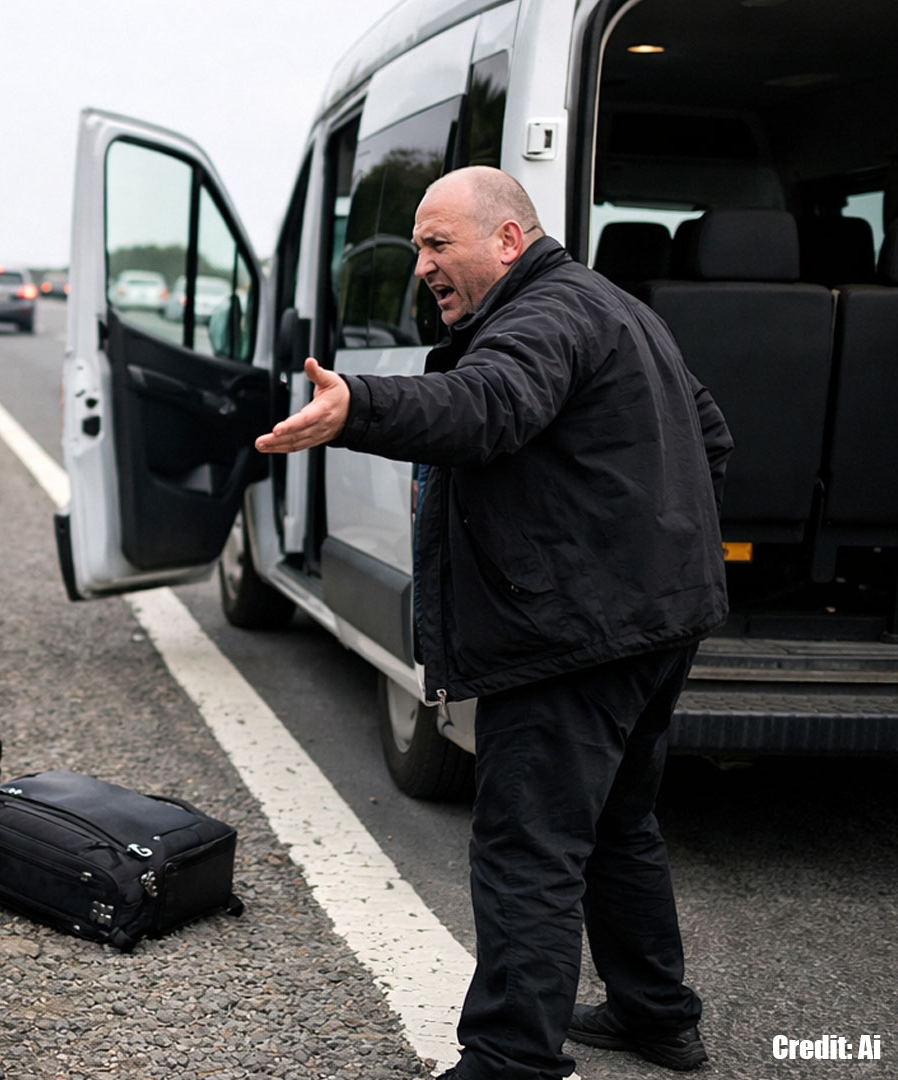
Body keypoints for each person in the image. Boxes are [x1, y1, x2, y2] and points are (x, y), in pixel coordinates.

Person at [255, 166, 731, 1080]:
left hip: (575, 635)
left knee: (529, 844)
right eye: (420, 247)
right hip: (652, 623)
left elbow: (485, 405)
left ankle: (512, 1061)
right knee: (620, 822)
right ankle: (656, 1015)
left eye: (440, 244)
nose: (423, 265)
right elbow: (711, 438)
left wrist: (361, 404)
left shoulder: (544, 318)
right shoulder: (615, 307)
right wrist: (652, 550)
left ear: (509, 240)